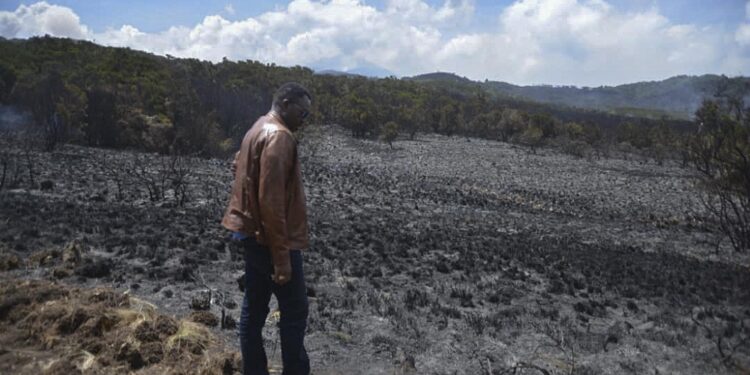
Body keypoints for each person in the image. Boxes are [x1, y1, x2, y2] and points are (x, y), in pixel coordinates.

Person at [222, 82, 312, 375]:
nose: (304, 120)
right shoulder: (280, 137)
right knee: (295, 311)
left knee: (255, 308)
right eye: (302, 112)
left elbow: (240, 168)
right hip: (270, 241)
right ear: (284, 104)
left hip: (251, 234)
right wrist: (282, 258)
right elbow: (271, 202)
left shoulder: (257, 127)